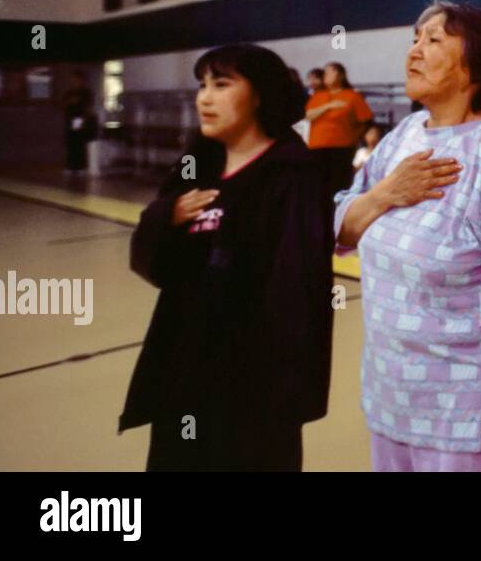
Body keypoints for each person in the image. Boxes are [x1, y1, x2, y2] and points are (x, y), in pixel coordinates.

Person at [334, 1, 481, 472]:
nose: (414, 51)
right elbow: (340, 225)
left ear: (474, 65)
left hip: (467, 414)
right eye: (415, 38)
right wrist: (384, 194)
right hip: (390, 398)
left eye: (433, 40)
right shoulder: (405, 134)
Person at [119, 44, 333, 471]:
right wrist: (170, 216)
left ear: (260, 95)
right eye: (202, 85)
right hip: (184, 368)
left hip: (252, 387)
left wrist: (275, 391)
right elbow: (151, 259)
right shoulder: (197, 164)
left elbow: (296, 297)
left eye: (221, 84)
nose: (204, 97)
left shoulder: (292, 176)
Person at [305, 62, 373, 197]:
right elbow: (308, 116)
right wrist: (329, 106)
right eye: (325, 72)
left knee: (339, 186)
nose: (326, 75)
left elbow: (365, 120)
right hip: (316, 147)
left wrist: (353, 137)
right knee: (317, 187)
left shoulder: (352, 96)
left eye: (331, 71)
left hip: (342, 147)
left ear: (341, 75)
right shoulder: (317, 96)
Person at [61, 70, 96, 174]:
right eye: (73, 80)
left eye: (77, 80)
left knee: (79, 142)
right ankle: (70, 166)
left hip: (79, 119)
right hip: (70, 119)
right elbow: (63, 105)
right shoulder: (69, 93)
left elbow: (88, 107)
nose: (75, 82)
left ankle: (81, 167)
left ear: (81, 81)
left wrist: (83, 120)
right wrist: (69, 103)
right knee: (70, 143)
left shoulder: (86, 93)